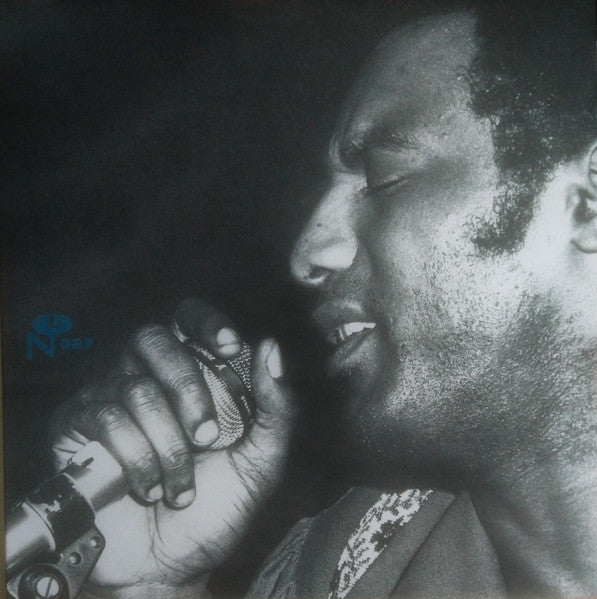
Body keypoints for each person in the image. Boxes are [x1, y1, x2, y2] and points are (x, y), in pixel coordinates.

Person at [50, 1, 597, 597]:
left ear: (587, 203)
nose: (308, 252)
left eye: (385, 175)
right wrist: (155, 584)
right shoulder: (336, 566)